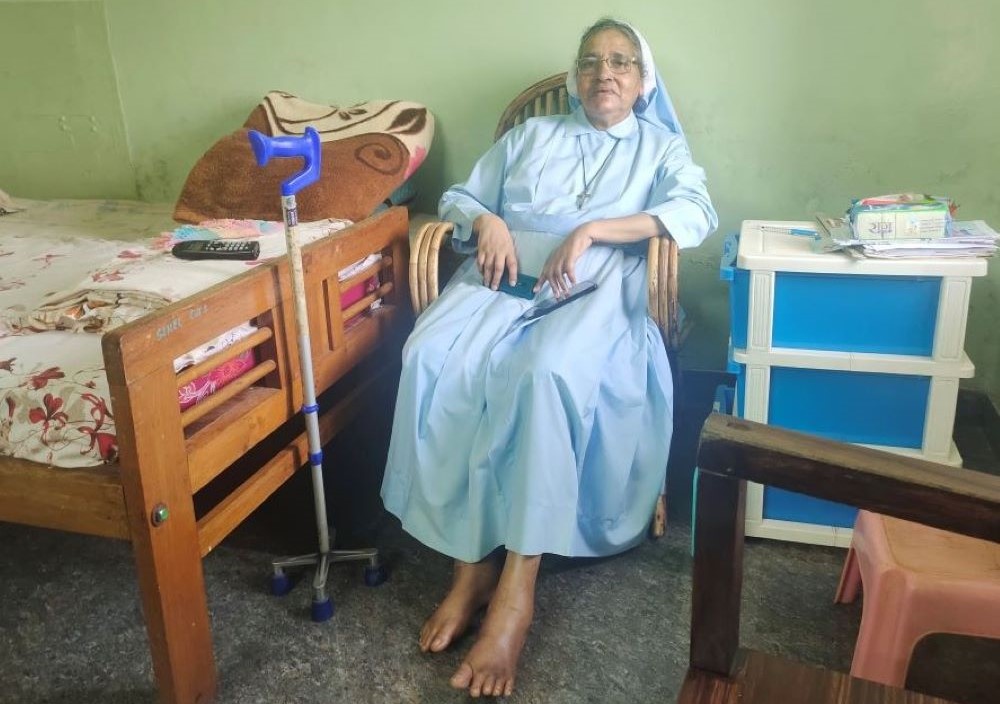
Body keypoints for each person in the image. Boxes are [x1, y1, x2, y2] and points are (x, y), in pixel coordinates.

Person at [381, 18, 717, 698]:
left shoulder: (660, 149)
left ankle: (516, 589)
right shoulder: (531, 136)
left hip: (599, 286)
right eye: (592, 61)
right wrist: (489, 221)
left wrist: (594, 229)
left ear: (643, 81)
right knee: (432, 355)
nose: (606, 73)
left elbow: (695, 211)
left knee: (544, 374)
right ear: (575, 76)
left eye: (622, 62)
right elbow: (462, 196)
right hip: (500, 278)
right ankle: (468, 562)